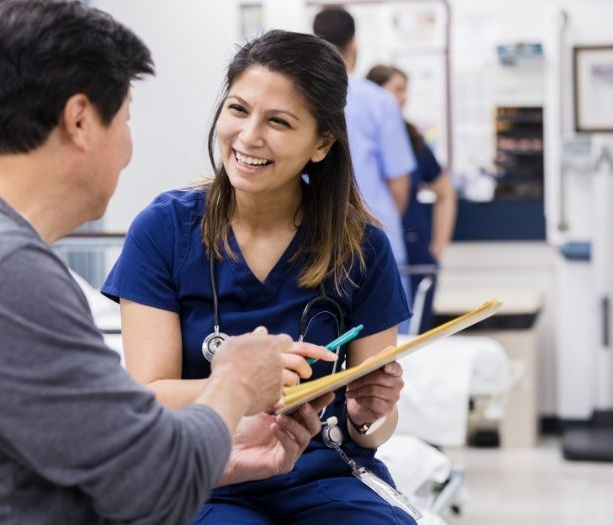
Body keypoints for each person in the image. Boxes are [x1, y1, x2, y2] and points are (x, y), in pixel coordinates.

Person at [0, 2, 325, 523]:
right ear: (81, 120)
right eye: (127, 121)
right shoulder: (4, 272)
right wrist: (236, 381)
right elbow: (148, 487)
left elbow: (97, 461)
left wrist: (222, 460)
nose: (129, 149)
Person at [102, 30, 415, 524]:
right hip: (209, 478)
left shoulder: (361, 247)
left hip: (328, 475)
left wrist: (365, 414)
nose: (249, 136)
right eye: (238, 110)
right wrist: (254, 383)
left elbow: (373, 429)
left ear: (322, 143)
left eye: (279, 121)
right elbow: (150, 395)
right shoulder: (164, 231)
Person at [313, 7, 417, 314]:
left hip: (319, 245)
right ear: (354, 43)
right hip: (378, 240)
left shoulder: (307, 99)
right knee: (390, 352)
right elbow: (399, 183)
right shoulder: (380, 101)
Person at [366, 64, 457, 332]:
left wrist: (438, 247)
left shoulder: (412, 140)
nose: (403, 97)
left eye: (405, 90)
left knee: (416, 336)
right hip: (377, 251)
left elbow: (445, 192)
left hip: (414, 253)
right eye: (396, 89)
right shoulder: (358, 137)